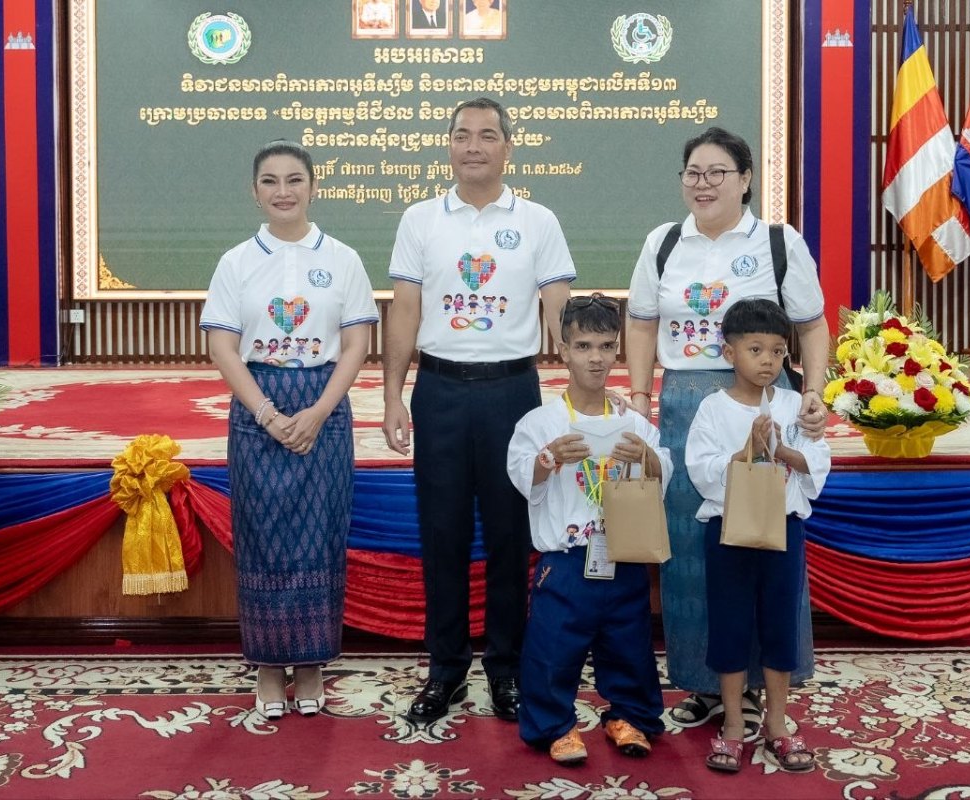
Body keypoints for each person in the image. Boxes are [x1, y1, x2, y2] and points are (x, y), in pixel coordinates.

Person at [625, 126, 829, 733]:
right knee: (692, 550)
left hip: (761, 404)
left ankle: (766, 685)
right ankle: (703, 682)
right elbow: (641, 324)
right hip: (685, 404)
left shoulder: (777, 242)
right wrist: (640, 397)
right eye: (693, 172)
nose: (704, 183)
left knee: (763, 542)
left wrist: (813, 393)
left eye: (718, 172)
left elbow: (811, 325)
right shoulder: (663, 242)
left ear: (745, 180)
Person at [382, 97, 575, 725]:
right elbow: (405, 312)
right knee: (442, 534)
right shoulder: (420, 219)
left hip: (513, 395)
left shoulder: (539, 220)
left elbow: (559, 312)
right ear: (448, 145)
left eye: (487, 135)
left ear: (507, 148)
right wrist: (392, 395)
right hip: (439, 391)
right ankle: (445, 669)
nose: (473, 146)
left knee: (509, 534)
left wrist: (587, 393)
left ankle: (506, 668)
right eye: (462, 135)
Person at [200, 140, 377, 720]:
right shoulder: (236, 262)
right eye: (270, 181)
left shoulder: (343, 258)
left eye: (295, 180)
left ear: (313, 187)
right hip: (259, 408)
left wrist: (320, 411)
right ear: (254, 192)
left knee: (320, 537)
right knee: (263, 538)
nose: (283, 192)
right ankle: (270, 668)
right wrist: (267, 414)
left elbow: (357, 343)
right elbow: (223, 346)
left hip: (324, 408)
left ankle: (312, 664)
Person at [506, 294, 671, 765]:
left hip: (623, 553)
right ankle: (555, 726)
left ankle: (630, 716)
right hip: (567, 559)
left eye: (605, 346)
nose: (595, 358)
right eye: (582, 346)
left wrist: (648, 458)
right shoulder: (541, 422)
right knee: (553, 647)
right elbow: (519, 475)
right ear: (563, 351)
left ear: (618, 350)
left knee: (630, 644)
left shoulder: (632, 423)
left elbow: (665, 473)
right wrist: (548, 458)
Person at [686, 297, 830, 773]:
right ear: (729, 353)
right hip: (728, 531)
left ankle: (777, 723)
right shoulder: (713, 408)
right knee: (729, 623)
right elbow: (701, 470)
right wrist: (746, 451)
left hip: (783, 530)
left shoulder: (794, 404)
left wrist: (782, 451)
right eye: (755, 350)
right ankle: (732, 724)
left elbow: (817, 461)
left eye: (777, 351)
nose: (768, 360)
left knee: (779, 625)